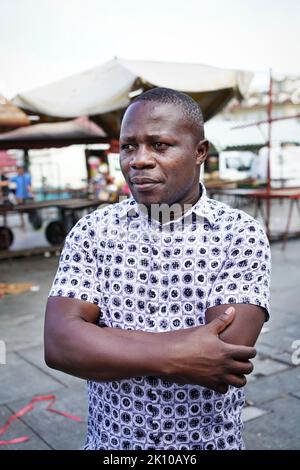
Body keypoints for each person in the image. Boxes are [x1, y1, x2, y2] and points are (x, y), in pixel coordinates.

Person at [45, 88, 271, 450]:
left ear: (200, 152)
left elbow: (224, 357)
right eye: (128, 146)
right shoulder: (93, 231)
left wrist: (98, 341)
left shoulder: (238, 234)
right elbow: (59, 344)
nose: (139, 160)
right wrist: (177, 354)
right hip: (111, 446)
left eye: (160, 145)